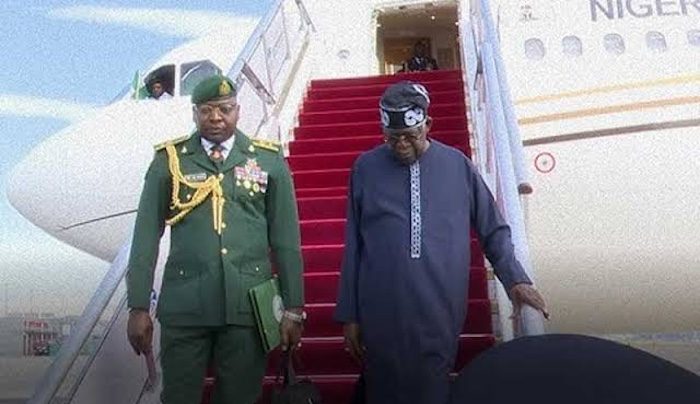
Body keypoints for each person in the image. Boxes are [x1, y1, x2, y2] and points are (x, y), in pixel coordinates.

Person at [334, 81, 549, 404]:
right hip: (380, 305)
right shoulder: (366, 168)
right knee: (382, 385)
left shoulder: (457, 166)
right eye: (393, 137)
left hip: (439, 303)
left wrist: (515, 279)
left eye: (410, 136)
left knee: (431, 384)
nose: (401, 145)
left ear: (428, 125)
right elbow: (354, 244)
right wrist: (350, 314)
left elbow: (492, 228)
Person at [126, 75, 305, 404]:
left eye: (225, 109)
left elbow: (286, 241)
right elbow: (145, 236)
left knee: (240, 398)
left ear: (238, 111)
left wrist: (294, 308)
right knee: (178, 398)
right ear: (195, 113)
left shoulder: (267, 160)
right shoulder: (170, 161)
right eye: (207, 110)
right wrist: (138, 305)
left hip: (248, 306)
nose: (216, 118)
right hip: (185, 307)